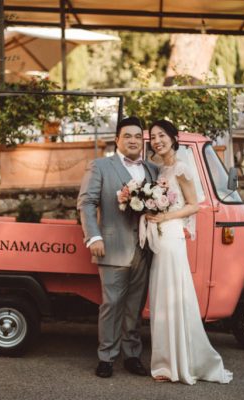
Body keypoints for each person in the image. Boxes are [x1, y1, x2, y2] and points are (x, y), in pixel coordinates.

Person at [144, 119, 233, 385]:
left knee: (174, 295)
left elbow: (195, 205)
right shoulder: (160, 168)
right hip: (160, 235)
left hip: (171, 235)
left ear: (173, 137)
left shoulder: (181, 168)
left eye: (161, 135)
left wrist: (166, 216)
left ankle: (181, 363)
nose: (157, 140)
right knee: (161, 297)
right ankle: (166, 363)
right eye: (154, 137)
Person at [77, 116, 159, 378]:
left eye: (138, 136)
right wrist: (94, 237)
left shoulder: (152, 169)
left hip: (145, 249)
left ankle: (132, 355)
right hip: (112, 246)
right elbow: (87, 202)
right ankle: (106, 357)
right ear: (117, 140)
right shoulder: (100, 166)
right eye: (128, 136)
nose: (133, 140)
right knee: (112, 304)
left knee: (135, 306)